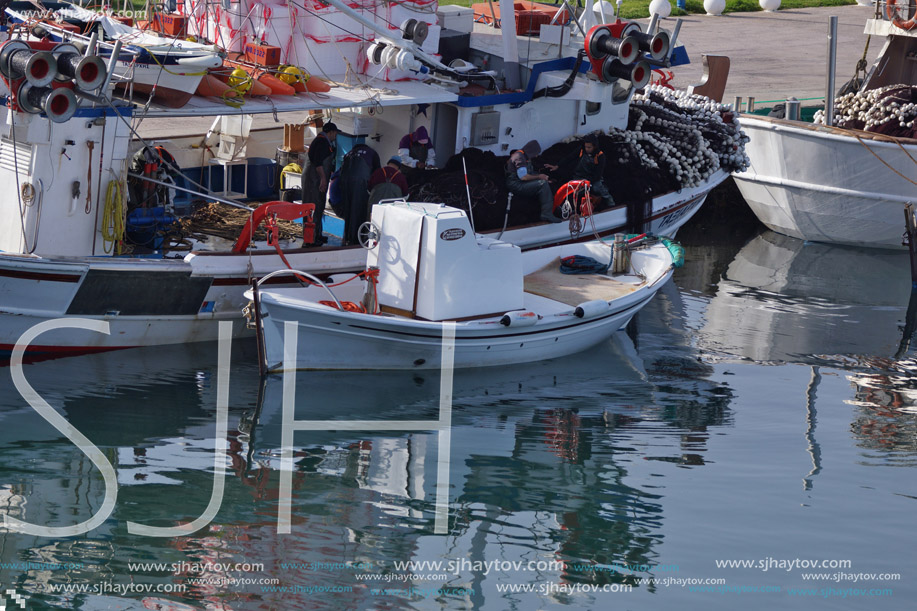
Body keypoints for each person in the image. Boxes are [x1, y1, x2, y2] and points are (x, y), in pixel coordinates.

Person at [505, 140, 561, 223]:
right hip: (516, 184)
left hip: (520, 182)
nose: (536, 155)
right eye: (536, 153)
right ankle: (547, 214)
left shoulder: (524, 156)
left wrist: (541, 177)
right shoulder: (519, 158)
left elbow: (529, 173)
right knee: (543, 184)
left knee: (544, 182)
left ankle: (555, 209)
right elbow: (523, 177)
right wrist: (539, 177)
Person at [301, 122, 338, 246]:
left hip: (316, 180)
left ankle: (317, 234)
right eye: (335, 133)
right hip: (313, 180)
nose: (336, 136)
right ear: (331, 132)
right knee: (312, 208)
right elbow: (318, 163)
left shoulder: (323, 141)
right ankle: (310, 239)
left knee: (319, 207)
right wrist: (323, 178)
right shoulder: (322, 142)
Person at [572, 134, 613, 210]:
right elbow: (569, 158)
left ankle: (610, 202)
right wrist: (557, 166)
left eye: (589, 147)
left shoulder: (600, 156)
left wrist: (588, 181)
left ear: (594, 147)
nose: (587, 149)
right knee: (575, 190)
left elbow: (598, 174)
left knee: (597, 187)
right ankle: (576, 208)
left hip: (594, 178)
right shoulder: (581, 151)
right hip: (579, 176)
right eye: (586, 147)